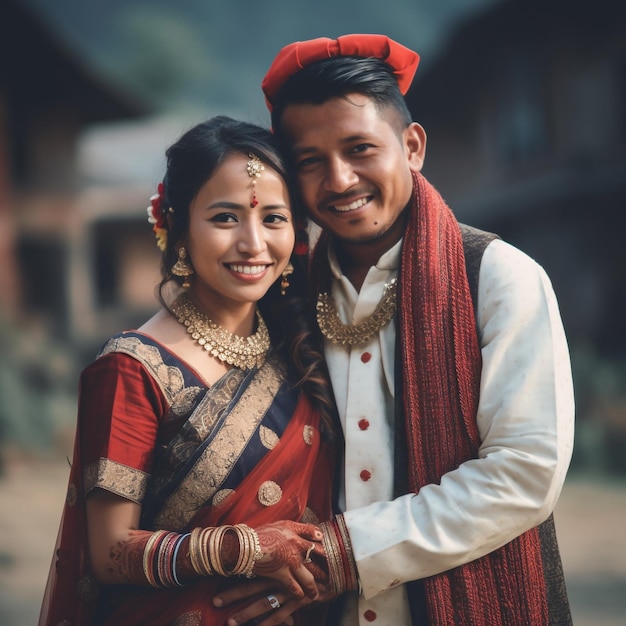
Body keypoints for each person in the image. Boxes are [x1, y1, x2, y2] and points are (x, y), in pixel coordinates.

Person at [216, 35, 575, 625]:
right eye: (309, 161)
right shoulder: (282, 294)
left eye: (360, 149)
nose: (338, 179)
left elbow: (524, 473)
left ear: (412, 147)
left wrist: (347, 551)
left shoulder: (498, 276)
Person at [38, 115, 341, 626]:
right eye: (225, 218)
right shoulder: (131, 367)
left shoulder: (301, 350)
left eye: (273, 218)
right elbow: (109, 554)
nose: (253, 243)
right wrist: (242, 548)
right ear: (177, 229)